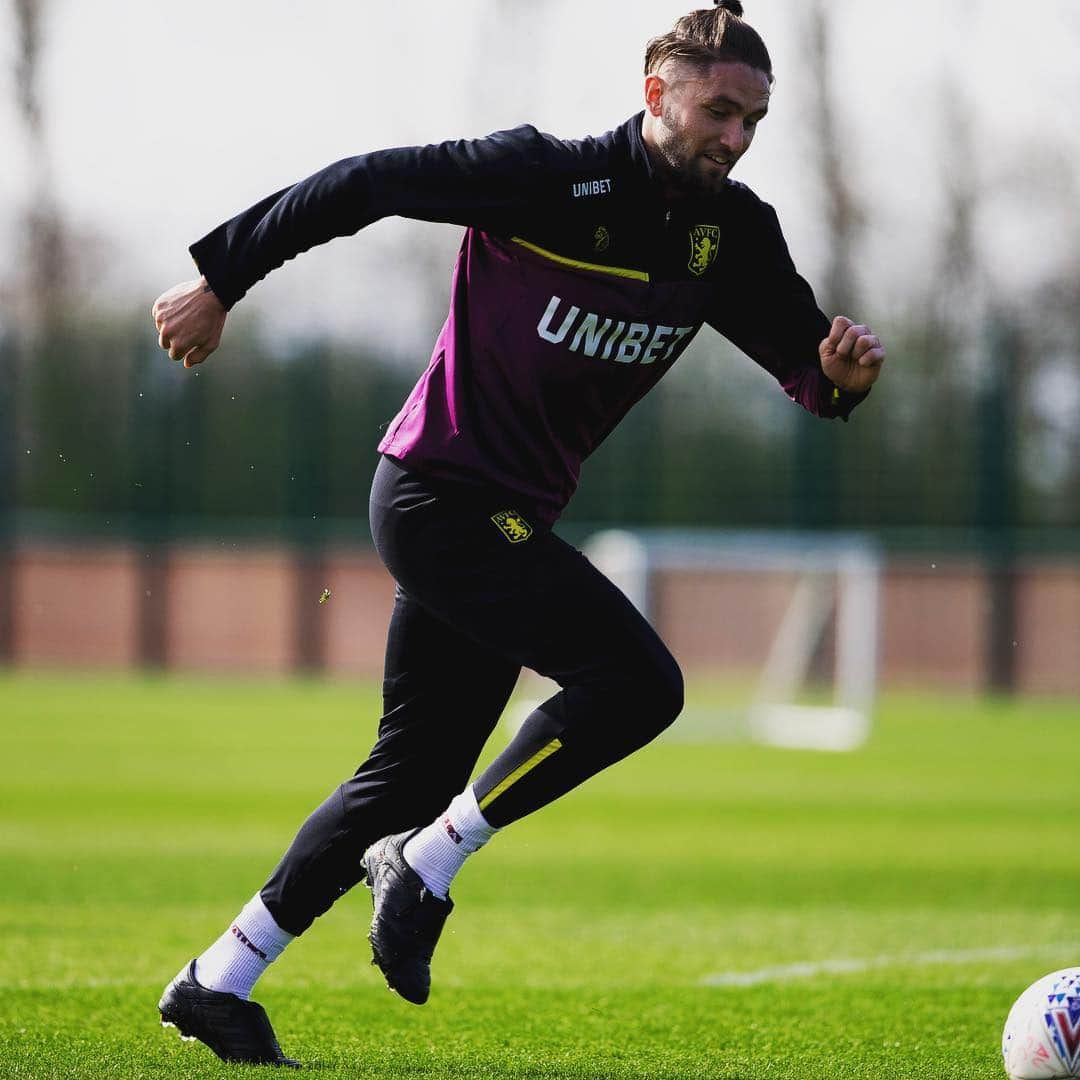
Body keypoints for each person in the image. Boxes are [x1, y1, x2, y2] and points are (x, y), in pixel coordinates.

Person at [152, 0, 886, 1066]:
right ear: (655, 92)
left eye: (753, 122)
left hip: (501, 520)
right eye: (718, 111)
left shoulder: (732, 235)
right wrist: (222, 276)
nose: (734, 138)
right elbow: (365, 183)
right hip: (435, 497)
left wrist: (841, 378)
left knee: (406, 773)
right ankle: (431, 861)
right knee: (641, 683)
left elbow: (803, 368)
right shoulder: (544, 176)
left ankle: (219, 978)